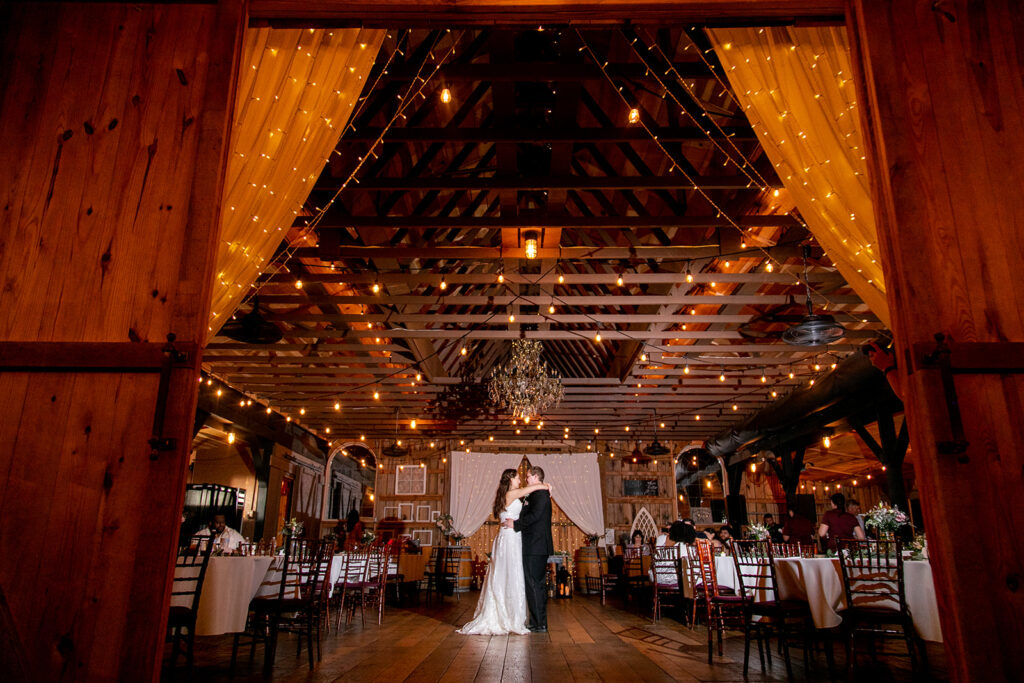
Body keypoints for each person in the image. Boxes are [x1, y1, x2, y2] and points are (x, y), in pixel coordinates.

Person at [457, 468, 551, 635]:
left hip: (516, 539)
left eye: (527, 476)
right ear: (510, 480)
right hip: (510, 539)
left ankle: (520, 617)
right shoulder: (511, 494)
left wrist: (542, 487)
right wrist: (545, 486)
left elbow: (530, 508)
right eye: (518, 477)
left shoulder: (514, 494)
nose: (522, 479)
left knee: (516, 577)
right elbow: (528, 491)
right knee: (510, 575)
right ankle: (508, 616)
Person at [510, 466, 555, 633]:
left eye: (528, 476)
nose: (526, 479)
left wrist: (514, 524)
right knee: (537, 584)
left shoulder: (541, 495)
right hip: (536, 545)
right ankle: (538, 621)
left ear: (536, 477)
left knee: (534, 584)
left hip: (535, 545)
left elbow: (534, 516)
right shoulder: (538, 493)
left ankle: (539, 623)